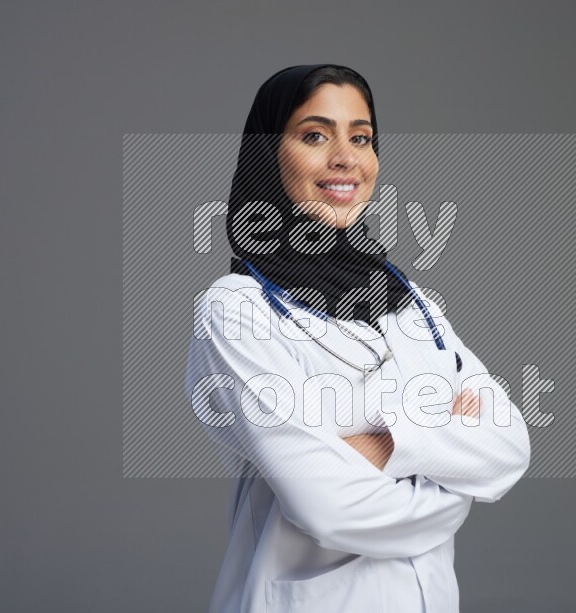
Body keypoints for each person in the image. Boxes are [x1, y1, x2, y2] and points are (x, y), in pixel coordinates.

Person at [184, 64, 531, 613]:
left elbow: (509, 446)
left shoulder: (410, 301)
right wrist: (447, 472)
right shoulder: (237, 310)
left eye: (362, 137)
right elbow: (324, 505)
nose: (346, 158)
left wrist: (370, 444)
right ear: (268, 154)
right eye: (315, 136)